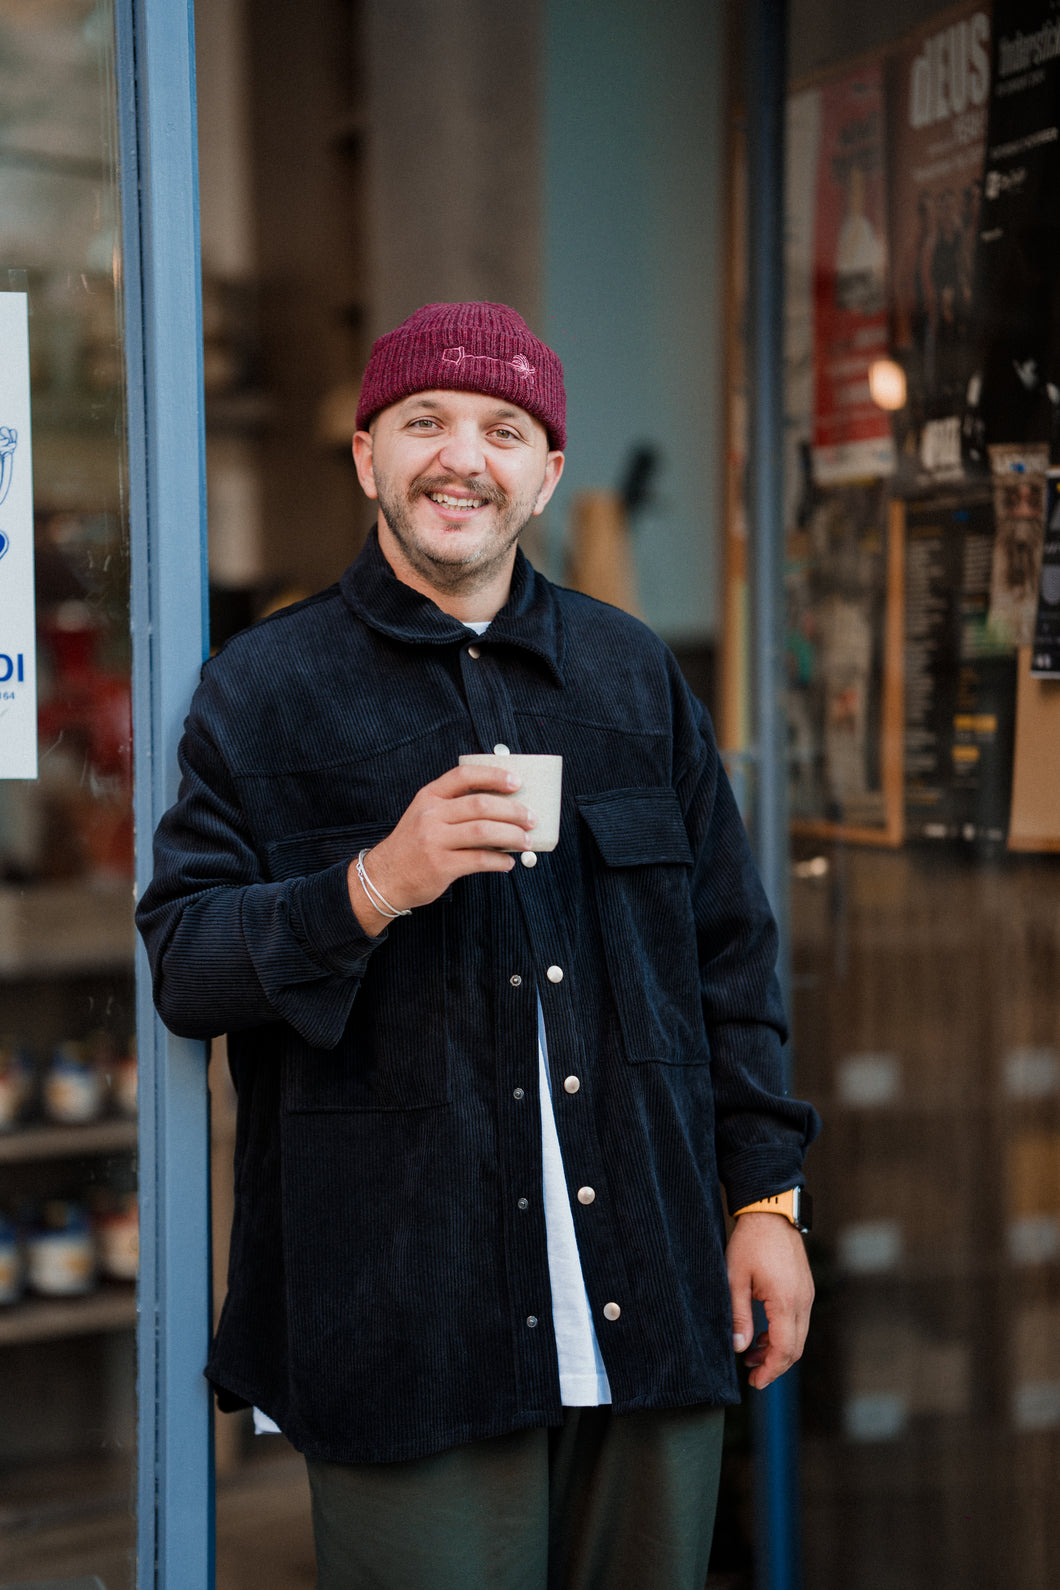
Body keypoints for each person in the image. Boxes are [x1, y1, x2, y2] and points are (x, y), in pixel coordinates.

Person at [137, 301, 820, 1590]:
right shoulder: (262, 691)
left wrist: (767, 1202)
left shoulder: (632, 676)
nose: (464, 457)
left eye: (505, 430)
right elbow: (184, 964)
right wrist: (376, 883)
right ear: (364, 456)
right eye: (425, 423)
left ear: (547, 471)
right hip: (406, 1323)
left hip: (652, 1298)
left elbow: (730, 960)